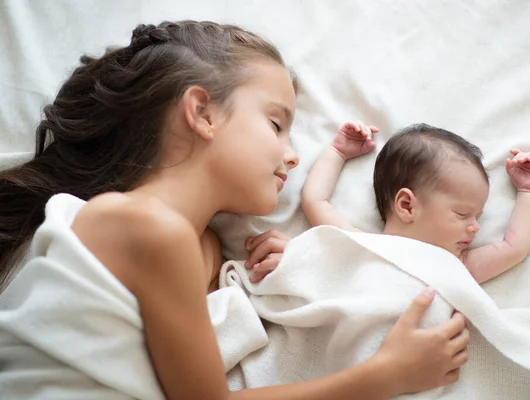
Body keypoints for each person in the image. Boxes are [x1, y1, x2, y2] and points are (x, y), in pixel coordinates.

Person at [0, 21, 469, 399]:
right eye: (275, 123)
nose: (292, 155)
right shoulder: (144, 226)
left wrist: (296, 269)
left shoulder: (200, 248)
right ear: (203, 113)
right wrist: (382, 376)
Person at [302, 121, 530, 283]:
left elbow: (515, 247)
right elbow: (315, 200)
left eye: (477, 217)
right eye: (462, 213)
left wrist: (529, 192)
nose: (475, 227)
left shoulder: (455, 265)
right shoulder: (364, 246)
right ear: (407, 205)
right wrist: (337, 152)